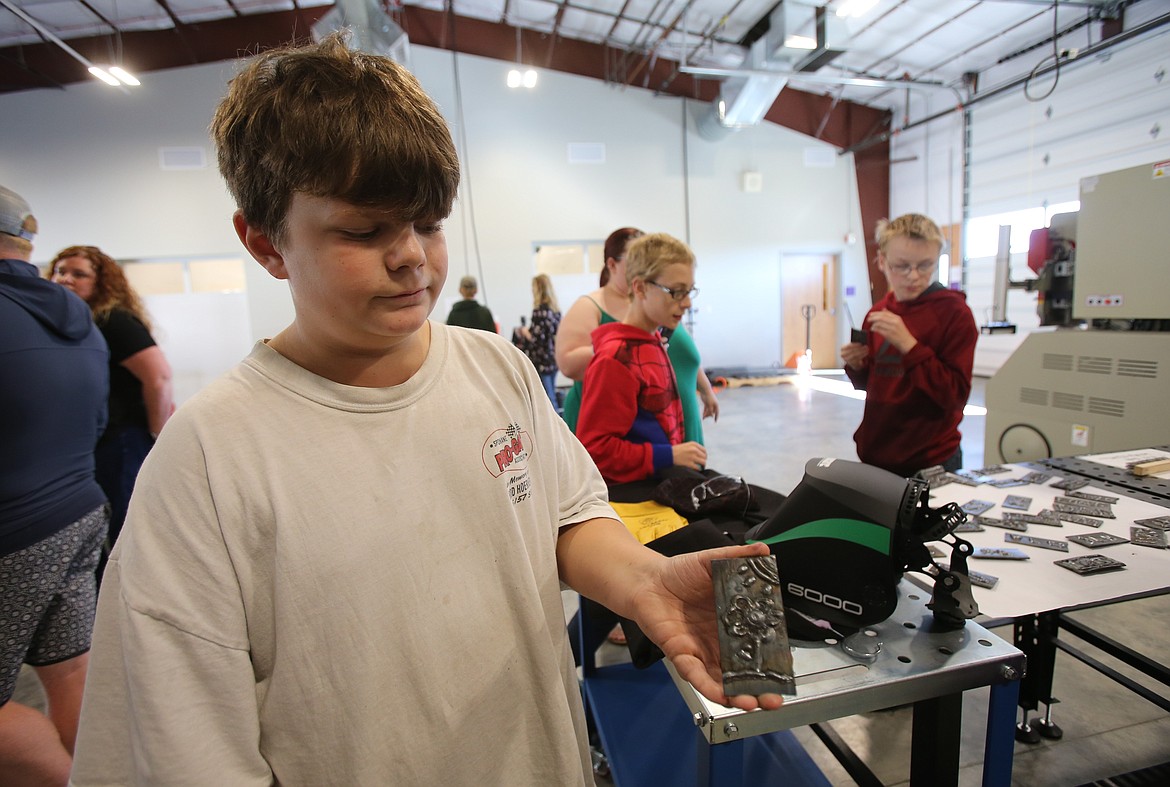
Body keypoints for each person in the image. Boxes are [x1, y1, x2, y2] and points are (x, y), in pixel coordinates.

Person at [69, 34, 781, 785]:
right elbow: (186, 739)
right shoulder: (210, 456)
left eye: (430, 222)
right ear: (265, 242)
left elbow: (568, 513)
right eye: (364, 229)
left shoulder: (496, 370)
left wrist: (640, 580)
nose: (411, 255)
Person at [1, 185, 110, 785]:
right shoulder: (77, 319)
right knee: (69, 670)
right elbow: (94, 421)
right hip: (78, 510)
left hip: (12, 526)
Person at [47, 245, 173, 559]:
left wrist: (157, 434)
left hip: (125, 439)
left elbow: (158, 378)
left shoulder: (112, 321)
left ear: (101, 282)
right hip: (93, 442)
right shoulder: (73, 323)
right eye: (61, 271)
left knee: (126, 527)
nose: (66, 279)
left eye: (79, 274)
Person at [840, 213, 977, 476]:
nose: (914, 276)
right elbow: (873, 385)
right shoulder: (878, 314)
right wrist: (857, 366)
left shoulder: (954, 314)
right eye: (902, 266)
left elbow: (954, 396)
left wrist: (910, 346)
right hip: (877, 455)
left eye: (925, 265)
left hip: (929, 460)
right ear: (882, 261)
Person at [555, 227, 719, 439]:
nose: (686, 303)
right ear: (613, 265)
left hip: (673, 433)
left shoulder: (660, 315)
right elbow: (603, 446)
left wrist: (705, 389)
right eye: (677, 291)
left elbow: (686, 358)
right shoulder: (598, 312)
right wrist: (625, 346)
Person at [576, 232, 707, 485]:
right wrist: (667, 455)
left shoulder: (653, 339)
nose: (687, 303)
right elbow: (595, 450)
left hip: (661, 483)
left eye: (690, 291)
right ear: (640, 288)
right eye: (676, 292)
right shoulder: (615, 359)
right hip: (638, 497)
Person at [513, 273, 561, 407]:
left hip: (541, 361)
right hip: (553, 359)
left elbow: (536, 340)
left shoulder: (539, 312)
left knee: (547, 400)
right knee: (552, 394)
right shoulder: (556, 311)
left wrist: (524, 332)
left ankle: (552, 427)